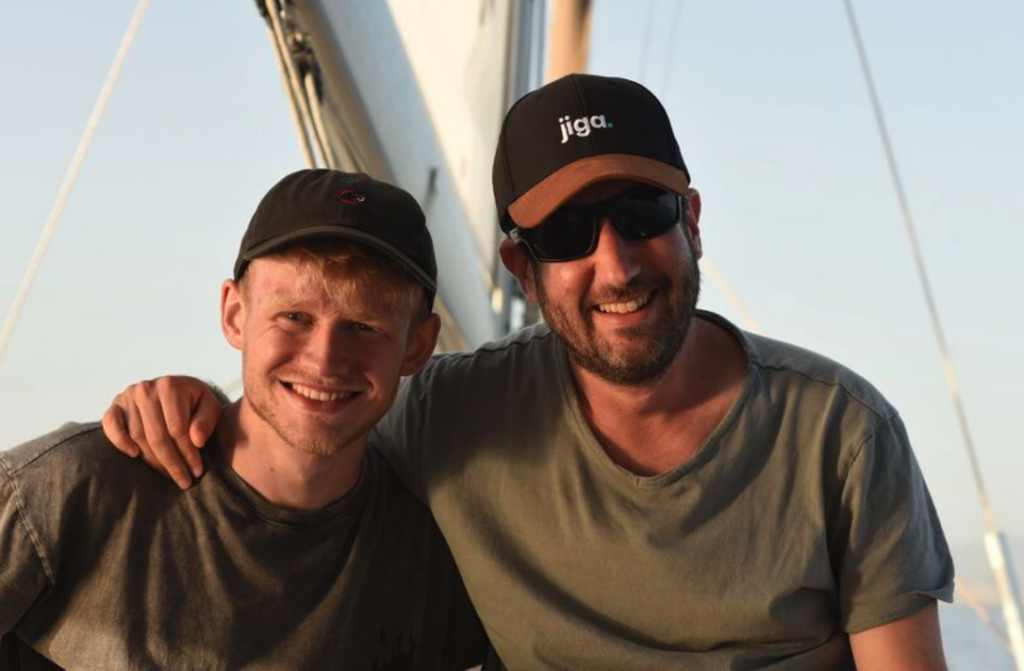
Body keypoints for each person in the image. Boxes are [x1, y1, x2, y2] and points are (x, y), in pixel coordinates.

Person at [101, 75, 954, 670]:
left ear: (691, 218)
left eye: (642, 213)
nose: (615, 265)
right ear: (521, 266)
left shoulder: (841, 433)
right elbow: (314, 415)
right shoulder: (451, 410)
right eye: (567, 236)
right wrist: (198, 405)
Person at [0, 170, 487, 670]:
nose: (324, 360)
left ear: (419, 346)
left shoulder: (431, 562)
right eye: (294, 316)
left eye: (364, 327)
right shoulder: (74, 490)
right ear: (235, 314)